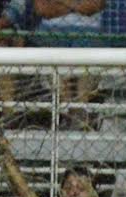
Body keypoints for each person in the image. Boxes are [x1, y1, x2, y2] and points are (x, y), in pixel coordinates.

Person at [33, 0, 105, 128]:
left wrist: (60, 3)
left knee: (88, 56)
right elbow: (42, 9)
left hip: (88, 30)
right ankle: (67, 111)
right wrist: (75, 5)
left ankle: (80, 110)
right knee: (50, 56)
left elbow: (93, 6)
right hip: (51, 30)